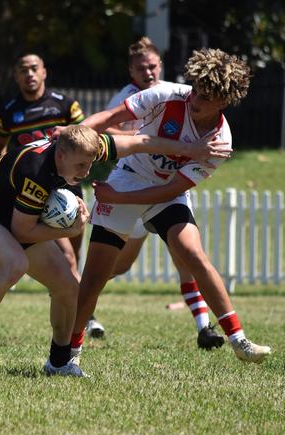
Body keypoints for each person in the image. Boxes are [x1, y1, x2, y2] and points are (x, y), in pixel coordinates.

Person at [0, 124, 229, 377]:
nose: (86, 172)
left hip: (17, 217)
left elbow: (143, 142)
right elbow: (22, 231)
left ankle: (59, 362)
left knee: (68, 287)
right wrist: (70, 230)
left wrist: (191, 149)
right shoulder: (36, 171)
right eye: (80, 167)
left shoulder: (83, 147)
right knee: (15, 263)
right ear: (60, 155)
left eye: (90, 165)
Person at [70, 48, 271, 364]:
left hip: (163, 193)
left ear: (223, 102)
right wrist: (72, 136)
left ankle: (239, 340)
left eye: (205, 97)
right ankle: (69, 355)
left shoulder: (220, 143)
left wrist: (115, 198)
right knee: (96, 277)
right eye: (195, 89)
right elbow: (109, 118)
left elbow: (170, 189)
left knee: (193, 254)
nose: (195, 99)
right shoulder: (163, 95)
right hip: (128, 177)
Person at [101, 37, 223, 350]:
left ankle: (205, 327)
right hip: (133, 182)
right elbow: (107, 130)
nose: (149, 71)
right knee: (118, 265)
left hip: (169, 188)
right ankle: (77, 296)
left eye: (153, 65)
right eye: (141, 67)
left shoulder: (177, 94)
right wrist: (139, 139)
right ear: (131, 70)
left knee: (187, 256)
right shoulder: (127, 97)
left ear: (161, 66)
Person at [0, 52, 106, 338]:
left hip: (68, 186)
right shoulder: (7, 111)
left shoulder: (64, 103)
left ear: (44, 72)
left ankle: (73, 304)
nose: (29, 74)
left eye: (34, 68)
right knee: (66, 256)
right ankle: (83, 315)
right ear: (16, 76)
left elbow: (85, 135)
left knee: (74, 253)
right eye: (22, 69)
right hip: (36, 191)